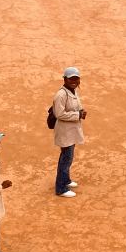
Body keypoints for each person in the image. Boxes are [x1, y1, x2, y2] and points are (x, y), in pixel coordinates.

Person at [53, 67, 87, 197]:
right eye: (70, 78)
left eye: (76, 78)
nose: (74, 81)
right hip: (65, 132)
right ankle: (60, 188)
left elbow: (74, 107)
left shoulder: (73, 91)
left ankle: (65, 180)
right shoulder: (61, 95)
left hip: (71, 131)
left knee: (68, 157)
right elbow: (59, 114)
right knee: (66, 158)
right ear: (65, 79)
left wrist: (80, 112)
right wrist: (77, 115)